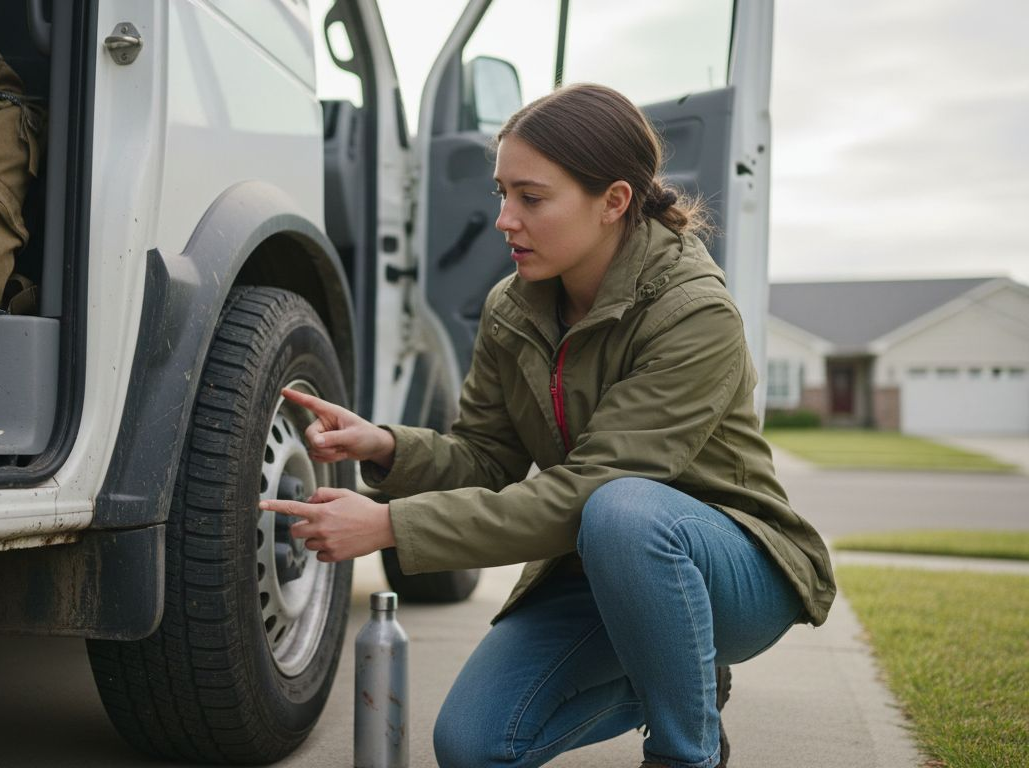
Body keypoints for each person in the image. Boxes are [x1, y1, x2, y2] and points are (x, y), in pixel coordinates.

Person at [259, 83, 835, 768]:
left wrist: (388, 526)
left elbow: (595, 486)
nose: (504, 219)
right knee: (473, 747)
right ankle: (683, 675)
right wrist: (389, 446)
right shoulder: (513, 306)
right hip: (594, 566)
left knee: (622, 510)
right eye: (501, 193)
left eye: (530, 198)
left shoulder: (693, 313)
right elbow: (485, 455)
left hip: (731, 566)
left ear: (613, 202)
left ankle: (686, 752)